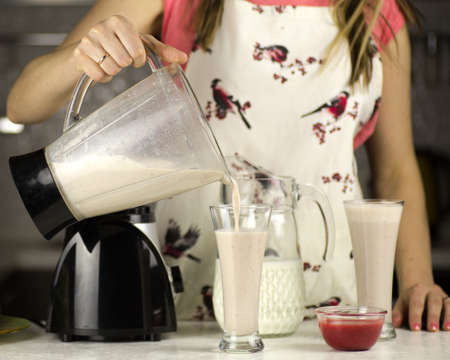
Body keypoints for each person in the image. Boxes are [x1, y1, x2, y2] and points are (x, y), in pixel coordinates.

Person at [7, 0, 449, 332]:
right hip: (197, 313)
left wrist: (417, 282)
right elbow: (22, 102)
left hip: (331, 315)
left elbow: (395, 168)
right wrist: (81, 56)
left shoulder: (375, 12)